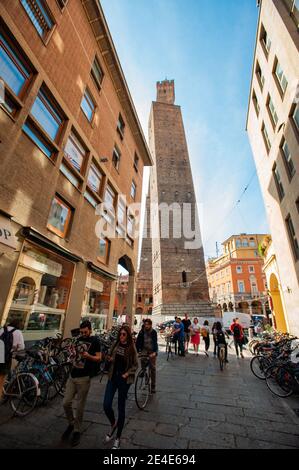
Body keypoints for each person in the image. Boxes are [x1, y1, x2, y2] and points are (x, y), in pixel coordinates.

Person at [62, 320, 102, 447]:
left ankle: (77, 431)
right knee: (66, 403)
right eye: (81, 332)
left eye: (85, 332)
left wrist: (88, 356)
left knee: (79, 407)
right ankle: (71, 422)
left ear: (90, 330)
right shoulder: (77, 339)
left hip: (84, 378)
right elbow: (73, 353)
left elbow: (99, 358)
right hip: (72, 376)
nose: (83, 334)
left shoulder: (95, 341)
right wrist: (71, 353)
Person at [103, 325, 138, 450]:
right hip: (113, 377)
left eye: (124, 334)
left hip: (124, 380)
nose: (121, 336)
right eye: (120, 334)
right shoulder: (115, 344)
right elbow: (110, 357)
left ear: (127, 335)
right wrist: (109, 359)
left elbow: (135, 365)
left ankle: (117, 437)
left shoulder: (131, 348)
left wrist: (127, 374)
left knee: (121, 408)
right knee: (106, 405)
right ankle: (113, 424)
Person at [0, 319, 25, 401]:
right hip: (5, 358)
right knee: (1, 380)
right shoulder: (18, 332)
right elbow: (21, 347)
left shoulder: (2, 329)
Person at [136, 318, 158, 393]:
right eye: (145, 324)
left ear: (151, 325)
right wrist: (138, 351)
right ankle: (145, 377)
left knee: (153, 368)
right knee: (143, 362)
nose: (146, 326)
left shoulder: (154, 332)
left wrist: (155, 352)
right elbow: (138, 341)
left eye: (148, 325)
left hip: (151, 350)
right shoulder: (142, 332)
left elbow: (155, 342)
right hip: (144, 349)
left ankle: (153, 386)